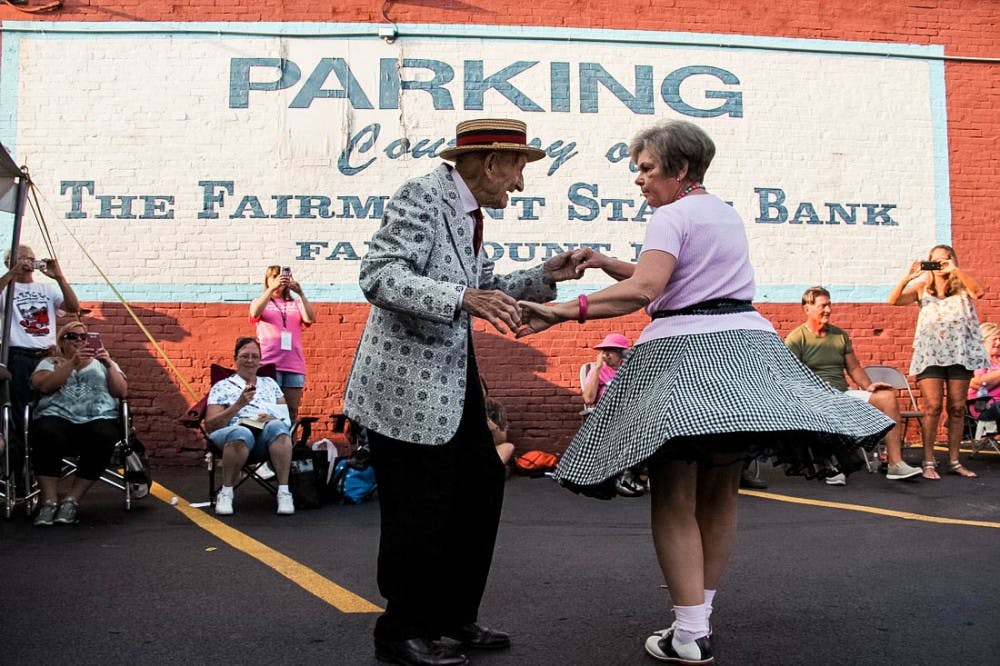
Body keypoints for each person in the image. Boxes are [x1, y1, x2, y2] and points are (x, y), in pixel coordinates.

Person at [516, 120, 893, 665]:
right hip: (745, 354)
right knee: (720, 493)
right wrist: (604, 262)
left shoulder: (669, 216)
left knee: (673, 493)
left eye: (646, 169)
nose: (639, 180)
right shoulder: (723, 212)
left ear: (680, 167)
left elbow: (646, 290)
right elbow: (677, 277)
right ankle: (696, 625)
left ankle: (689, 634)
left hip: (685, 357)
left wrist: (555, 311)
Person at [343, 118, 585, 666]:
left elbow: (483, 289)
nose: (520, 183)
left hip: (452, 382)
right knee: (417, 509)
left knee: (480, 487)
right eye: (519, 168)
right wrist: (460, 298)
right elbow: (378, 276)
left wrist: (545, 275)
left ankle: (453, 617)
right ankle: (401, 631)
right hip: (404, 387)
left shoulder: (469, 213)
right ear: (492, 161)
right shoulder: (422, 195)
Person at [785, 286, 923, 484]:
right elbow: (789, 374)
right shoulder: (796, 338)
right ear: (807, 308)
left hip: (842, 393)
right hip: (814, 396)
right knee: (826, 404)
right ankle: (829, 466)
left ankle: (895, 464)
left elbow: (855, 368)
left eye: (829, 305)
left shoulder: (839, 336)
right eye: (823, 306)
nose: (828, 310)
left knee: (887, 397)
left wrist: (868, 386)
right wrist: (813, 385)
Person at [888, 245, 986, 479]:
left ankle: (954, 460)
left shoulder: (961, 285)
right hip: (930, 354)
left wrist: (955, 270)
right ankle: (929, 460)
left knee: (957, 407)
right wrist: (908, 277)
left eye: (946, 260)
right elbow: (894, 301)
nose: (941, 265)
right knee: (932, 406)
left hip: (960, 353)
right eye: (936, 261)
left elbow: (979, 292)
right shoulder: (923, 287)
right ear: (929, 264)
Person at [29, 321, 127, 526]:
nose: (80, 341)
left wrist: (109, 364)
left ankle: (72, 499)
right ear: (62, 341)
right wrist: (71, 363)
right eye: (73, 336)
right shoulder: (51, 362)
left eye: (84, 337)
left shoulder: (103, 362)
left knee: (105, 435)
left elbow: (121, 392)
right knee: (45, 432)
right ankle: (49, 501)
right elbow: (44, 386)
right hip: (58, 416)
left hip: (97, 416)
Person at [205, 337, 295, 516]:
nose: (250, 360)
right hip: (231, 435)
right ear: (235, 358)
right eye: (245, 356)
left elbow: (286, 418)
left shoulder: (270, 384)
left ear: (260, 360)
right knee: (241, 432)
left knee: (278, 427)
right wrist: (237, 406)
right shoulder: (222, 387)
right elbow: (211, 425)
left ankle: (284, 492)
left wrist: (273, 417)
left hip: (264, 437)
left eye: (255, 356)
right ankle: (226, 493)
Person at [0, 246, 79, 438]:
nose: (27, 262)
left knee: (51, 403)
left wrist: (59, 277)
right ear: (9, 262)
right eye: (21, 258)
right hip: (18, 354)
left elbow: (73, 306)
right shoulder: (6, 288)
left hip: (47, 354)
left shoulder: (47, 289)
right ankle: (19, 456)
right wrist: (12, 273)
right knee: (18, 406)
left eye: (31, 258)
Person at [249, 265, 316, 422]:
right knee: (267, 408)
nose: (279, 282)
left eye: (281, 278)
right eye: (274, 277)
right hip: (269, 363)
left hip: (294, 364)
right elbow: (255, 312)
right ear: (267, 280)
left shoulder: (295, 304)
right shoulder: (260, 302)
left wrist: (300, 293)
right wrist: (271, 289)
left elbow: (310, 319)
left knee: (291, 411)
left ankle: (288, 444)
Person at [582, 333, 630, 407]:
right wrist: (598, 369)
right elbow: (588, 399)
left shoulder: (629, 369)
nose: (606, 354)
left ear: (623, 353)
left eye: (611, 350)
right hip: (605, 412)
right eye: (604, 350)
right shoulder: (598, 371)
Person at [968, 322, 1000, 422]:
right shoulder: (979, 360)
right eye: (994, 339)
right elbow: (979, 383)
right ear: (983, 341)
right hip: (984, 407)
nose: (998, 343)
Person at [481, 378, 514, 466]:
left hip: (489, 451)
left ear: (485, 390)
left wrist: (490, 423)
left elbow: (502, 440)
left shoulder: (495, 407)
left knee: (508, 447)